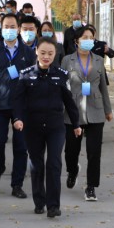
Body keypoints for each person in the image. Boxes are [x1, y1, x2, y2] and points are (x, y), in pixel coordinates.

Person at [12, 38, 81, 217]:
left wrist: (76, 123)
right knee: (36, 164)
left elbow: (69, 102)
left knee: (54, 163)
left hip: (55, 127)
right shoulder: (26, 75)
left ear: (55, 54)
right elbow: (18, 100)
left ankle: (53, 205)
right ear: (36, 52)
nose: (46, 56)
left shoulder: (61, 75)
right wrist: (18, 118)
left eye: (50, 53)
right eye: (43, 53)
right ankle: (39, 201)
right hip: (32, 127)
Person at [0, 13, 36, 199]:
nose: (10, 30)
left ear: (18, 29)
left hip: (21, 107)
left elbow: (34, 80)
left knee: (21, 147)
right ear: (1, 28)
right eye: (6, 26)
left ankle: (17, 184)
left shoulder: (28, 53)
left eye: (13, 26)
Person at [61, 26, 113, 202]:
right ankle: (72, 170)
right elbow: (61, 87)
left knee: (94, 151)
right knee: (71, 150)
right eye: (85, 37)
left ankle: (91, 187)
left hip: (95, 108)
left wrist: (108, 110)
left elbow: (103, 87)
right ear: (76, 40)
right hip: (73, 110)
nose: (88, 40)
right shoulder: (67, 60)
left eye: (91, 37)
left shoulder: (99, 60)